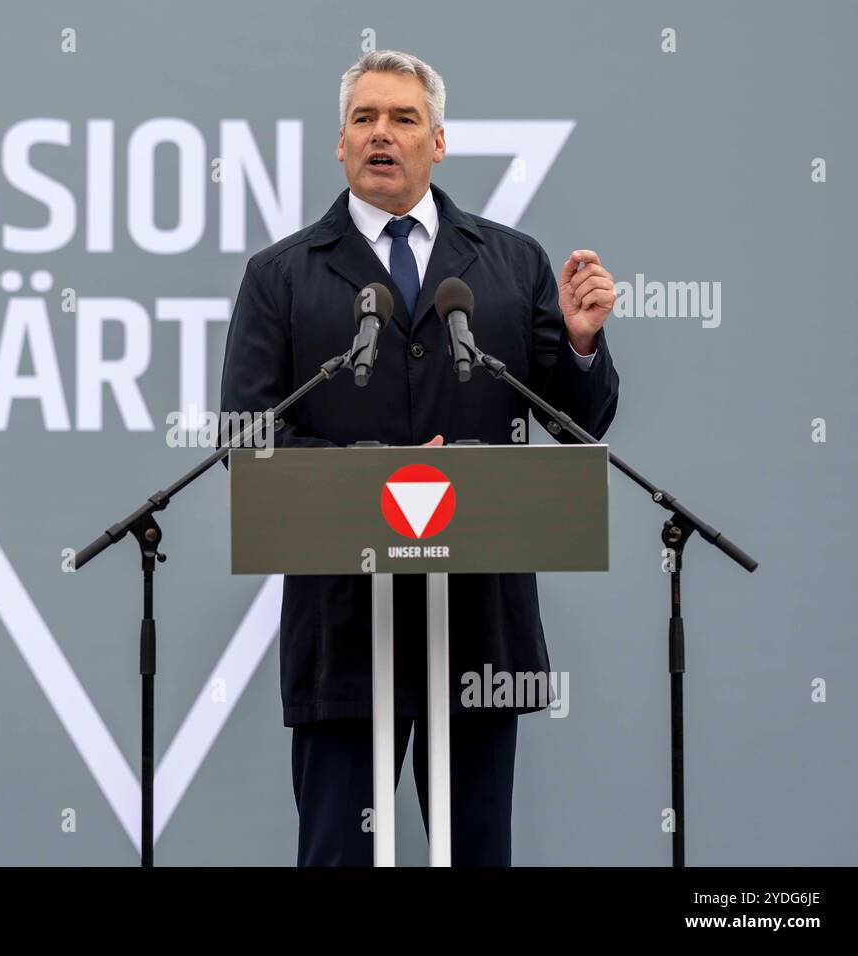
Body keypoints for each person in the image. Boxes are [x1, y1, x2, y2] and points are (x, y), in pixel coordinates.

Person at [219, 50, 620, 866]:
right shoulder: (281, 277)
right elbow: (248, 439)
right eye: (364, 118)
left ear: (439, 141)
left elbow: (578, 428)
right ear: (339, 144)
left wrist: (581, 345)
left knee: (476, 855)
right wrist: (377, 469)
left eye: (403, 119)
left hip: (478, 631)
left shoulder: (511, 265)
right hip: (343, 626)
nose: (382, 134)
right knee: (338, 853)